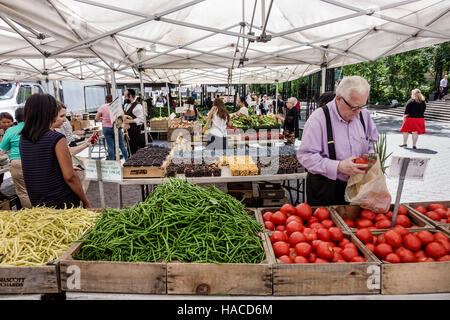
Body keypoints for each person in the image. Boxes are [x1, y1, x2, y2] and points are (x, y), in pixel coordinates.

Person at [297, 76, 379, 206]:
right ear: (339, 98)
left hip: (357, 186)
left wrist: (370, 156)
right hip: (326, 188)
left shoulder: (364, 115)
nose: (358, 112)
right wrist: (338, 167)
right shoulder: (318, 119)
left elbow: (373, 142)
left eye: (362, 106)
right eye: (354, 107)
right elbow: (306, 157)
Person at [19, 94, 90, 208]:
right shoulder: (56, 138)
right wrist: (85, 199)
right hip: (61, 202)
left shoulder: (23, 138)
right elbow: (70, 177)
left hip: (37, 201)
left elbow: (41, 167)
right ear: (48, 112)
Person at [0, 107, 31, 208]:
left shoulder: (11, 131)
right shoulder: (36, 127)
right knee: (39, 186)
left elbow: (3, 148)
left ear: (16, 119)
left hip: (18, 162)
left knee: (23, 191)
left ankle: (33, 214)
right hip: (36, 160)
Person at [95, 95, 129, 160]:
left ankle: (112, 162)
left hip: (106, 128)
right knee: (121, 145)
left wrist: (103, 118)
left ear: (106, 100)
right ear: (113, 100)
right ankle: (127, 159)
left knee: (110, 146)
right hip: (116, 126)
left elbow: (96, 118)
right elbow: (122, 117)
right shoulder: (116, 106)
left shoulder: (102, 107)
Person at [123, 89, 146, 156]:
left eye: (125, 96)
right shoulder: (126, 105)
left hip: (135, 132)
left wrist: (130, 121)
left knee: (135, 152)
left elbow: (142, 119)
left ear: (130, 96)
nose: (124, 98)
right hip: (128, 132)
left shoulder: (138, 106)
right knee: (129, 150)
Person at [0, 112, 13, 195]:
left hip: (5, 160)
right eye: (4, 122)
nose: (6, 124)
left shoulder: (12, 131)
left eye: (9, 122)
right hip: (2, 158)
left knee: (1, 178)